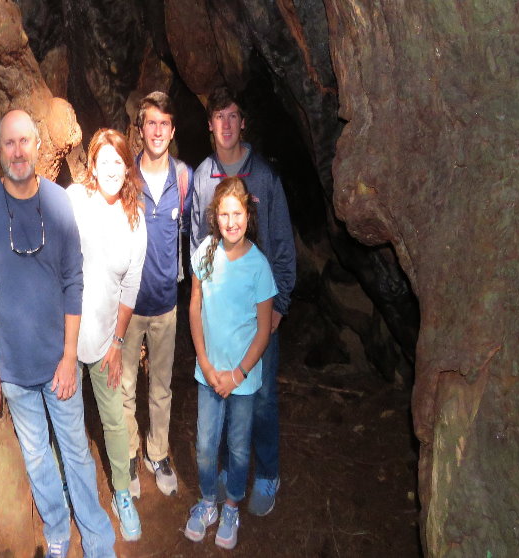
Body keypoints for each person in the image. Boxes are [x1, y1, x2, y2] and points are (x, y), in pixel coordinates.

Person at [0, 110, 116, 558]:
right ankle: (56, 531)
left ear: (37, 146)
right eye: (8, 144)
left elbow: (74, 279)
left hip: (57, 364)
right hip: (13, 370)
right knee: (37, 458)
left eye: (24, 142)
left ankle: (96, 538)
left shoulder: (56, 203)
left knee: (74, 452)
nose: (17, 152)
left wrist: (70, 357)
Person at [190, 86, 296, 516]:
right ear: (211, 125)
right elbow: (197, 241)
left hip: (259, 313)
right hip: (219, 315)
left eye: (234, 116)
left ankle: (267, 473)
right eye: (220, 117)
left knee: (262, 398)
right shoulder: (202, 177)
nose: (227, 125)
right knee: (219, 407)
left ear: (243, 122)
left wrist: (279, 310)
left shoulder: (265, 178)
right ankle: (225, 482)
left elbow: (283, 247)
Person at [184, 177, 277, 549]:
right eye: (223, 215)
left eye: (237, 214)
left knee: (238, 446)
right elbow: (195, 305)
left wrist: (237, 374)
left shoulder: (259, 266)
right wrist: (205, 364)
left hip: (243, 380)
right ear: (215, 218)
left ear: (248, 216)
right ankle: (209, 501)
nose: (230, 222)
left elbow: (264, 330)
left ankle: (232, 504)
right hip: (208, 374)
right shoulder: (206, 251)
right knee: (207, 444)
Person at [67, 128, 147, 541]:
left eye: (120, 161)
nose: (113, 169)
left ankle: (121, 492)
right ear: (92, 168)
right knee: (68, 419)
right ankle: (73, 491)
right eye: (105, 161)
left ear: (126, 168)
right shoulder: (75, 200)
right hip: (64, 337)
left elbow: (130, 287)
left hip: (102, 340)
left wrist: (117, 342)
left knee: (114, 419)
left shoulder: (135, 220)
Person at [119, 91, 193, 499]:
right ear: (140, 130)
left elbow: (193, 235)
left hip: (166, 304)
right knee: (126, 387)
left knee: (161, 387)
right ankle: (130, 455)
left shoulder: (184, 178)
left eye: (165, 124)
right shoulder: (125, 177)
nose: (158, 131)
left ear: (172, 130)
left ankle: (157, 453)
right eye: (151, 123)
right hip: (128, 308)